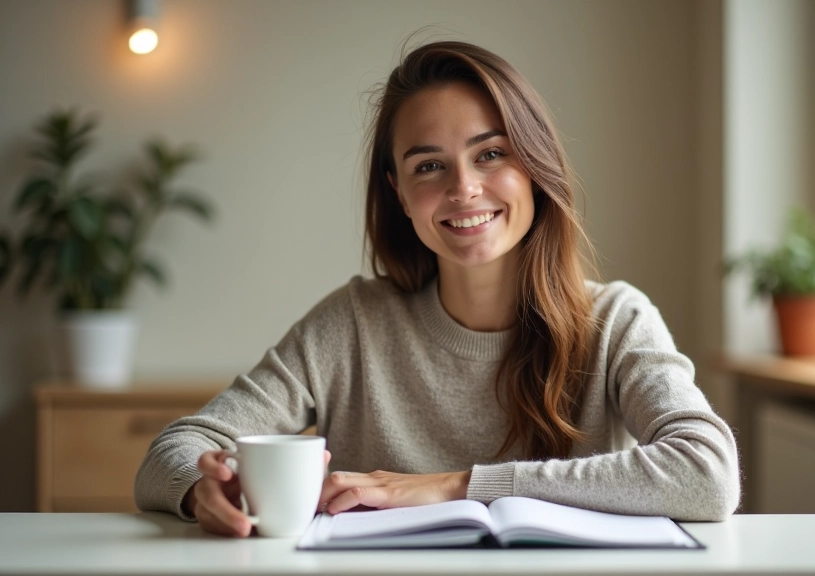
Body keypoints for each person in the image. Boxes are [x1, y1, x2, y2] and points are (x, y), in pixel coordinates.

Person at [135, 40, 741, 537]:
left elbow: (707, 475)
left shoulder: (615, 320)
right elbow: (179, 445)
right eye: (429, 165)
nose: (464, 189)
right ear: (399, 193)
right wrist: (199, 488)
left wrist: (454, 485)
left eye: (491, 154)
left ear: (535, 166)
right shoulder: (352, 323)